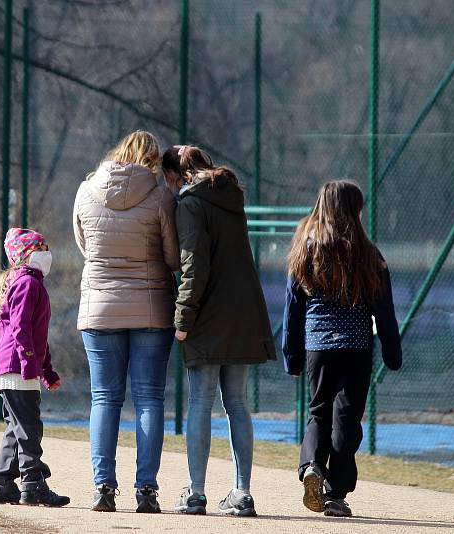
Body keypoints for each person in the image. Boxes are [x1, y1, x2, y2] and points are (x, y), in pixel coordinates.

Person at [161, 145, 275, 517]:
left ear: (175, 175)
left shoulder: (190, 204)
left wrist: (182, 319)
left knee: (200, 402)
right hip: (244, 311)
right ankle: (242, 493)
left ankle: (195, 493)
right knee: (238, 404)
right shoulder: (230, 198)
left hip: (209, 315)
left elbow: (194, 267)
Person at [73, 130, 180, 513]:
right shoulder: (160, 196)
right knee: (149, 398)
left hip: (99, 306)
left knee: (104, 398)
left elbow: (85, 245)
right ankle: (146, 490)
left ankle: (103, 486)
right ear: (151, 160)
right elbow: (172, 256)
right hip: (151, 307)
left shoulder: (86, 191)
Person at [282, 180, 402, 518]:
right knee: (346, 420)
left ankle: (310, 466)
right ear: (355, 210)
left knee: (318, 411)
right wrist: (392, 354)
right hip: (356, 347)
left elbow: (294, 309)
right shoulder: (368, 252)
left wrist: (292, 356)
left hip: (318, 346)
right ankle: (336, 494)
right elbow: (385, 309)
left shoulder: (306, 248)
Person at [0, 228, 70, 507]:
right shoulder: (28, 284)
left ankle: (1, 484)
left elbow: (37, 334)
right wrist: (28, 363)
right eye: (41, 249)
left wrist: (47, 371)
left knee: (16, 427)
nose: (47, 255)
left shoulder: (28, 282)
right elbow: (21, 330)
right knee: (29, 428)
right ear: (25, 256)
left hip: (12, 367)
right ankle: (33, 484)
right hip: (16, 368)